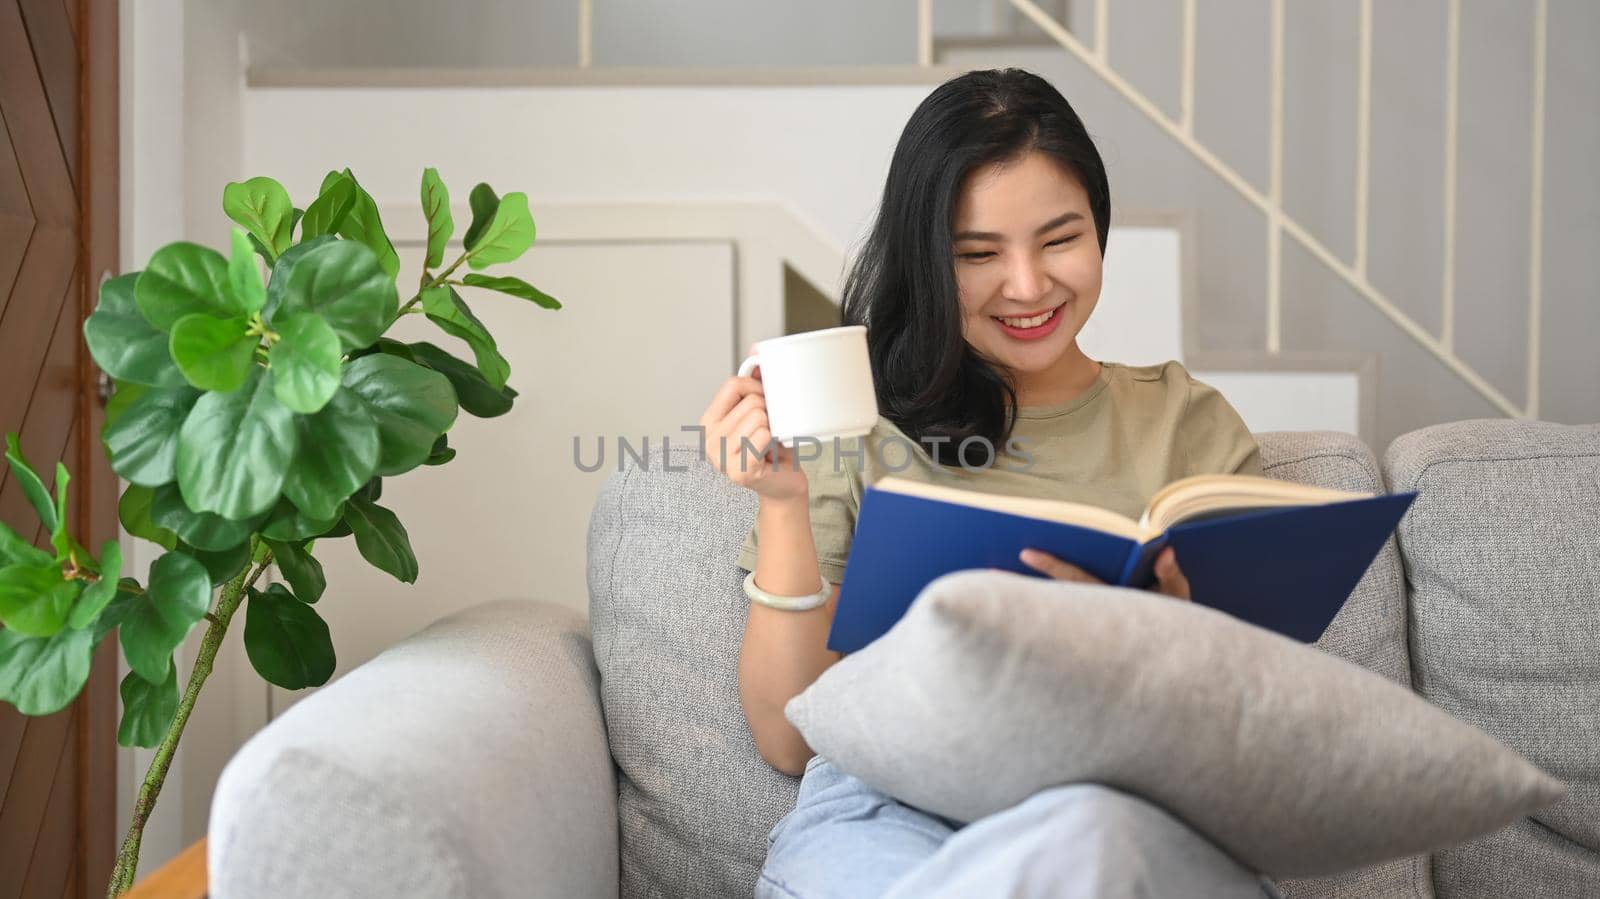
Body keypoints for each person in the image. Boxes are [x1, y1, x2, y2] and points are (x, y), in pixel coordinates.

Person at [698, 68, 1280, 898]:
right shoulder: (852, 421)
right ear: (929, 262)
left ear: (1100, 228)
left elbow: (1257, 743)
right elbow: (790, 738)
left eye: (1059, 238)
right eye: (978, 255)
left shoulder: (1189, 425)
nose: (1029, 285)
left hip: (1118, 805)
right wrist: (784, 503)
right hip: (889, 808)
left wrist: (1166, 642)